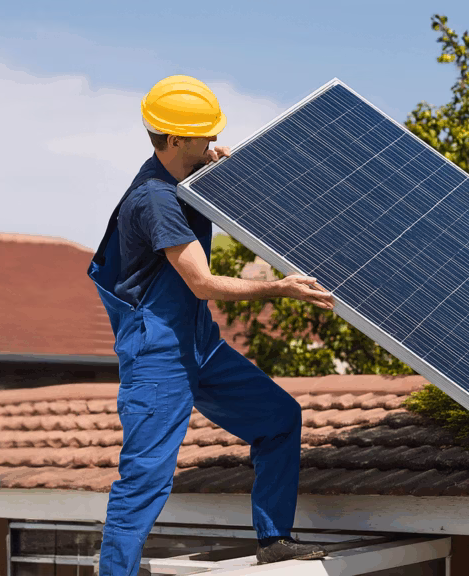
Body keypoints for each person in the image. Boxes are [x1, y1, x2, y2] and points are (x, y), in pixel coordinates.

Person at [88, 75, 335, 575]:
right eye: (203, 136)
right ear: (175, 139)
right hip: (157, 352)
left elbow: (207, 175)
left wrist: (221, 171)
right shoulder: (154, 199)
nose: (214, 142)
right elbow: (200, 282)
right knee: (145, 480)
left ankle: (274, 538)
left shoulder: (184, 173)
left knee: (279, 418)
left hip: (197, 344)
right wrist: (279, 287)